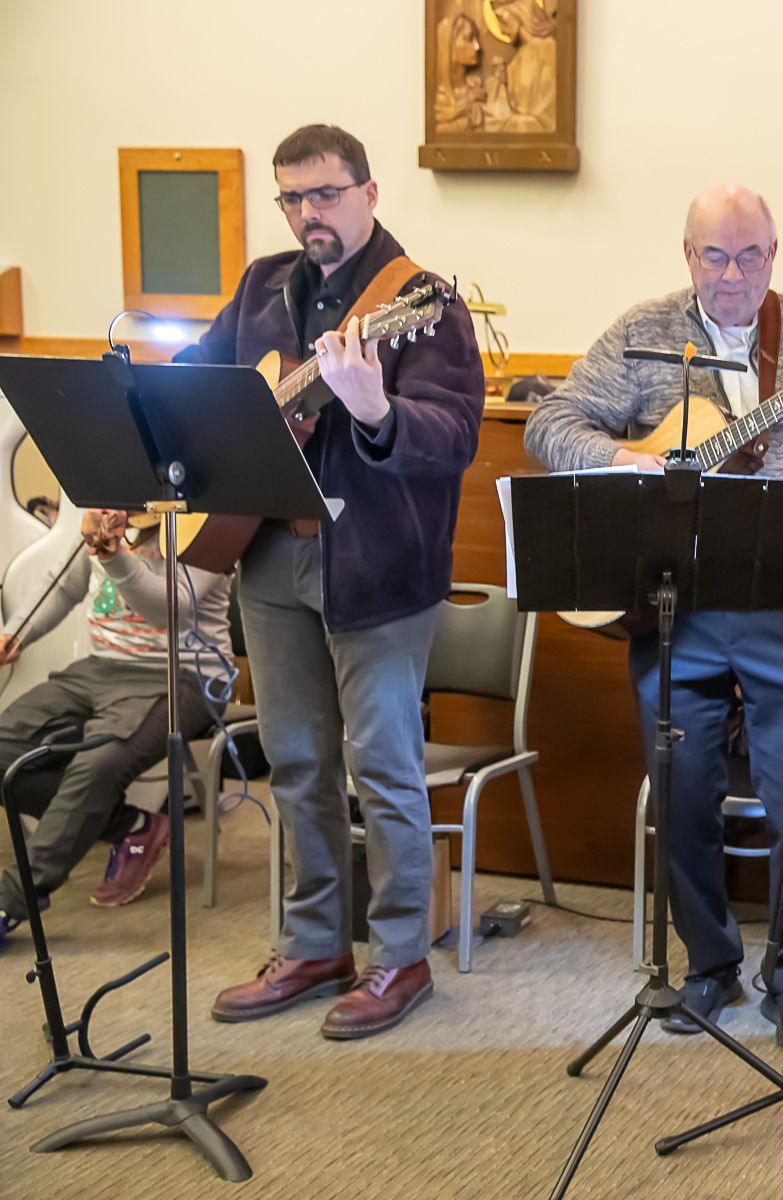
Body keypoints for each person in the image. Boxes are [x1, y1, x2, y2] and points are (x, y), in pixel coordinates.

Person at [524, 184, 783, 1048]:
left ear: (774, 253)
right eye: (715, 256)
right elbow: (549, 422)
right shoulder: (643, 331)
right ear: (687, 255)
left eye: (750, 255)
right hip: (672, 602)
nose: (733, 275)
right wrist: (622, 458)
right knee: (682, 792)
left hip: (781, 595)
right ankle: (708, 966)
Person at [194, 125, 484, 1040]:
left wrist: (377, 410)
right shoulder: (260, 287)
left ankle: (400, 954)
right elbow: (204, 384)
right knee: (296, 760)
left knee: (383, 766)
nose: (308, 213)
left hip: (378, 565)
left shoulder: (422, 301)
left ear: (369, 192)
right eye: (292, 197)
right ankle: (315, 942)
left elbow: (455, 437)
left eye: (324, 194)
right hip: (268, 555)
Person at [0, 511, 228, 943]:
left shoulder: (203, 518)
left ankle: (10, 901)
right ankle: (130, 827)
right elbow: (65, 584)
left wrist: (113, 554)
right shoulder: (102, 509)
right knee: (4, 750)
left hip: (184, 675)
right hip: (102, 667)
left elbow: (169, 610)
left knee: (98, 764)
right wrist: (14, 635)